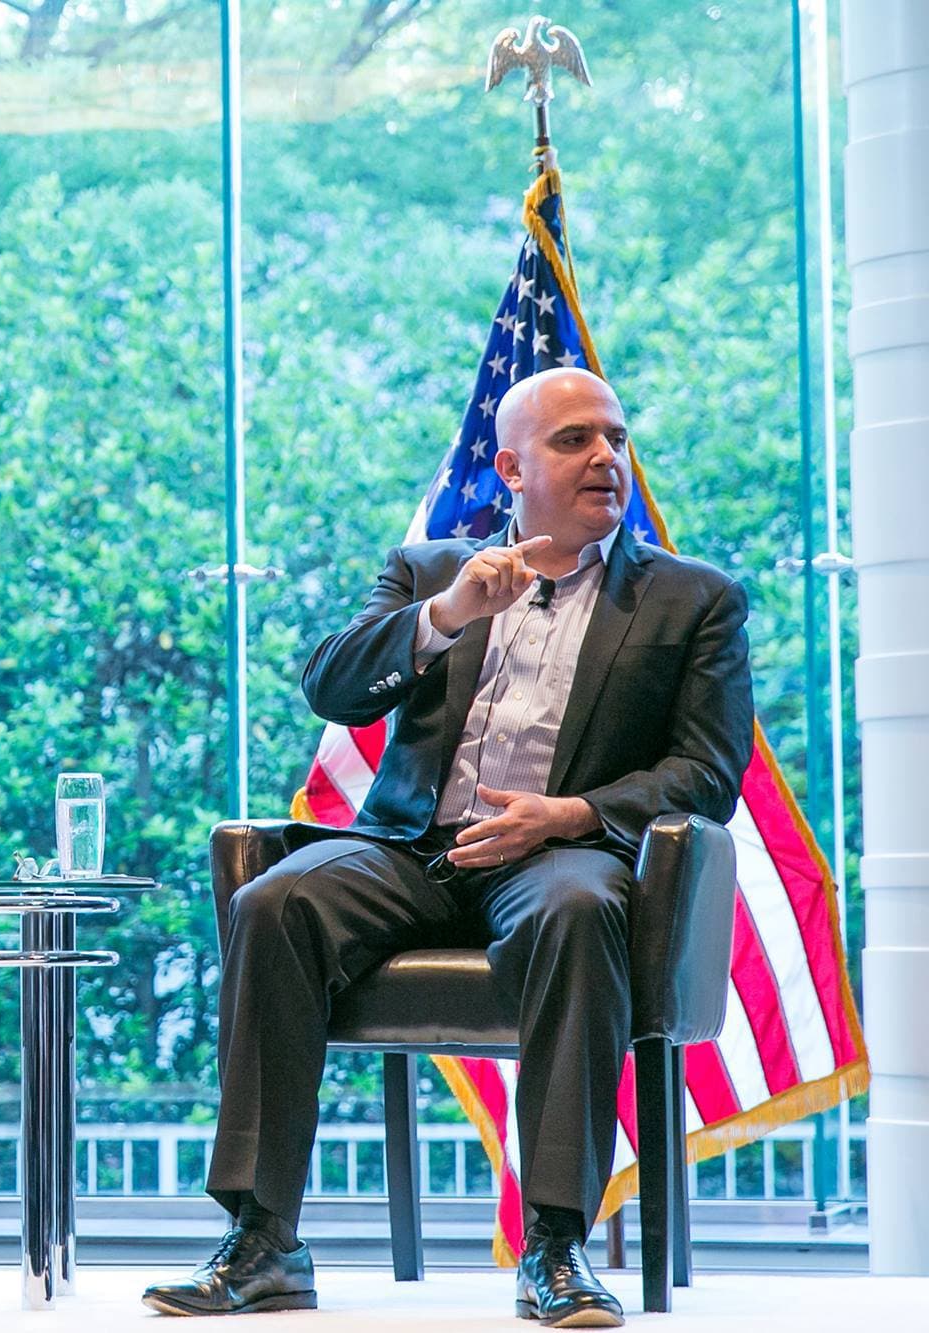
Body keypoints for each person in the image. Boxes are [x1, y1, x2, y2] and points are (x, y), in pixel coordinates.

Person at [142, 368, 753, 1328]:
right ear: (511, 466)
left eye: (616, 438)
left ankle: (555, 1248)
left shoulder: (693, 599)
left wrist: (568, 816)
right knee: (274, 902)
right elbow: (332, 688)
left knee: (582, 906)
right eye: (574, 440)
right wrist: (446, 616)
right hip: (411, 849)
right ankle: (264, 1242)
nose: (605, 457)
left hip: (559, 855)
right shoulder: (431, 571)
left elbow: (707, 774)